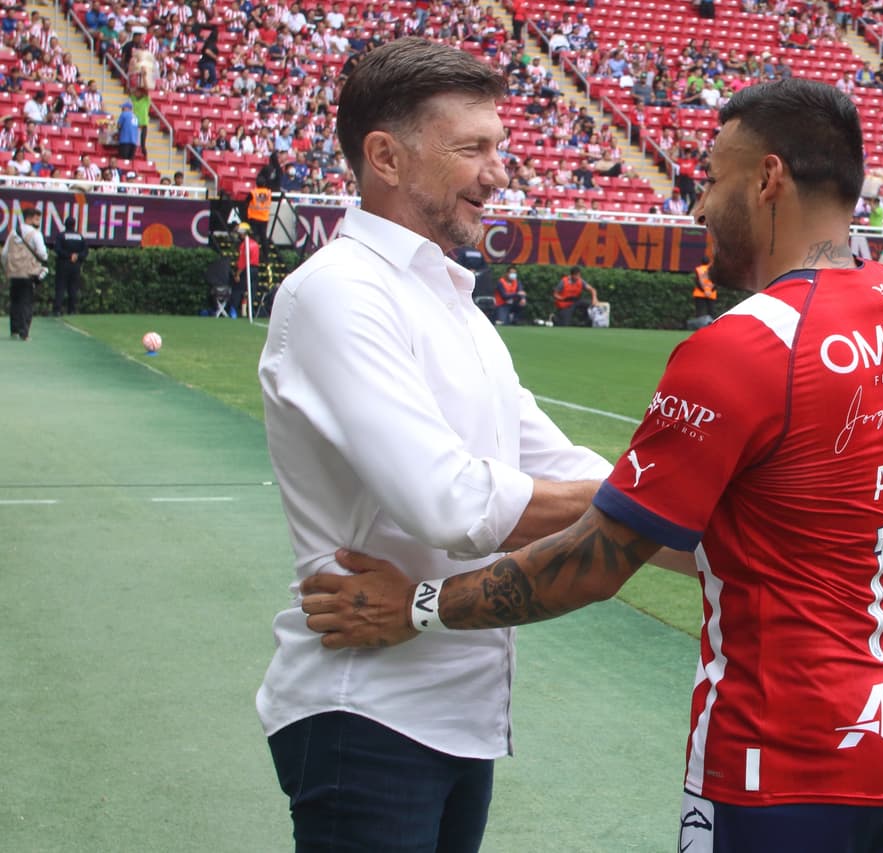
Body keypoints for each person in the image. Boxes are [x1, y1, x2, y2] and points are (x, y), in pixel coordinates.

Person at [300, 77, 883, 853]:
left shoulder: (744, 346)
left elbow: (593, 561)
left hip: (781, 751)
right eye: (476, 147)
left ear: (769, 178)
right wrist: (652, 502)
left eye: (712, 178)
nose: (700, 206)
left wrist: (419, 606)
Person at [255, 40, 615, 853]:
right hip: (365, 709)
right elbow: (448, 501)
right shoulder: (337, 292)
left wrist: (711, 522)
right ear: (385, 155)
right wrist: (654, 502)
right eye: (473, 148)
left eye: (500, 147)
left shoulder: (458, 310)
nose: (499, 171)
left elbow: (564, 470)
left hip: (455, 713)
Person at [3, 206, 48, 341]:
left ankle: (14, 330)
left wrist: (7, 268)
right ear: (30, 218)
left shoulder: (13, 232)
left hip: (14, 272)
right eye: (37, 218)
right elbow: (43, 254)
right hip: (28, 272)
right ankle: (24, 332)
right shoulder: (35, 234)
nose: (38, 221)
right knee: (26, 302)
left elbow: (4, 253)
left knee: (15, 301)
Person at [52, 214, 88, 316]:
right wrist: (77, 256)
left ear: (65, 224)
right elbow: (85, 251)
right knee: (73, 288)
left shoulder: (61, 236)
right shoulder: (80, 237)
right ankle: (72, 310)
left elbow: (58, 249)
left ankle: (57, 310)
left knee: (60, 287)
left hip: (63, 264)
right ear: (74, 224)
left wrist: (68, 255)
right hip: (75, 265)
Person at [231, 222, 258, 318]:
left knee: (238, 290)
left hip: (247, 270)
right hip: (255, 269)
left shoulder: (244, 245)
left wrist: (238, 273)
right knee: (251, 291)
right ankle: (247, 312)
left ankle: (234, 310)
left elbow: (243, 262)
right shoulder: (254, 243)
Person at [246, 176, 272, 244]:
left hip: (254, 218)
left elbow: (246, 201)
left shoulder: (253, 193)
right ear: (264, 184)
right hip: (264, 218)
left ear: (256, 184)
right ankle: (265, 254)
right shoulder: (268, 193)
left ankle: (254, 252)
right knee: (263, 238)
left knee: (253, 237)